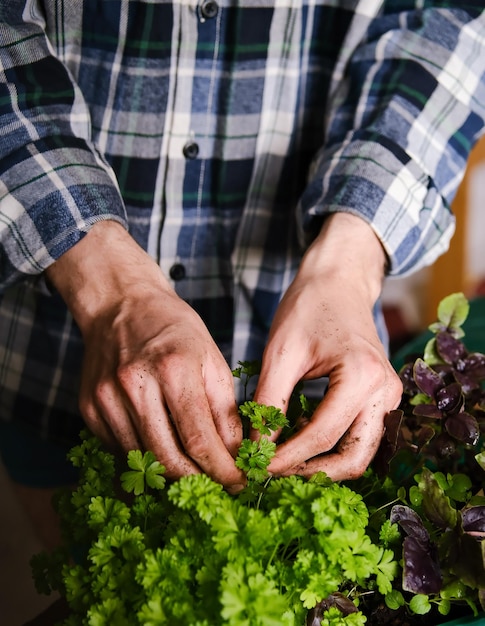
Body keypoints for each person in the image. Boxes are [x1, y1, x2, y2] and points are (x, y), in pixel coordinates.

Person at [1, 0, 484, 548]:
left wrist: (347, 263)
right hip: (59, 350)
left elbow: (450, 20)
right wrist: (106, 286)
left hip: (319, 392)